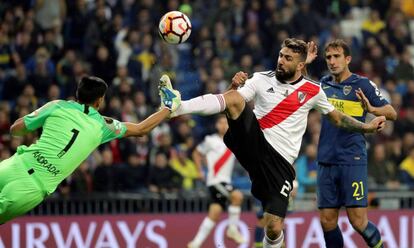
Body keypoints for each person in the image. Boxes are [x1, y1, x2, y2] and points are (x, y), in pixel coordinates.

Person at [158, 38, 386, 248]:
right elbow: (234, 98)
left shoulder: (332, 88)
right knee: (236, 99)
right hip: (266, 146)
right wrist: (234, 85)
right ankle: (179, 105)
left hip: (299, 164)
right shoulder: (272, 79)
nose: (281, 61)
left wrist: (368, 122)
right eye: (280, 55)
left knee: (279, 226)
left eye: (288, 58)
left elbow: (349, 116)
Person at [0, 75, 181, 223]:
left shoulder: (56, 105)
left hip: (14, 165)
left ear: (78, 94)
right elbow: (141, 129)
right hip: (32, 186)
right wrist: (167, 108)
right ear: (100, 100)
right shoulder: (104, 126)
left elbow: (15, 129)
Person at [308, 39, 397, 248]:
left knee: (358, 221)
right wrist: (306, 63)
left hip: (352, 159)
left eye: (337, 56)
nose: (332, 61)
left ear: (347, 59)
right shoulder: (323, 84)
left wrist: (373, 110)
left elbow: (391, 112)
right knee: (327, 221)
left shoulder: (362, 84)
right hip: (326, 159)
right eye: (328, 57)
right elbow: (299, 87)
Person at [188, 114, 245, 248]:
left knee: (214, 212)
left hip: (225, 181)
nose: (223, 125)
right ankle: (232, 230)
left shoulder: (234, 141)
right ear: (216, 125)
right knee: (237, 196)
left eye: (226, 122)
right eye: (220, 123)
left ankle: (195, 243)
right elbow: (196, 153)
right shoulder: (210, 140)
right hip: (216, 181)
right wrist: (199, 170)